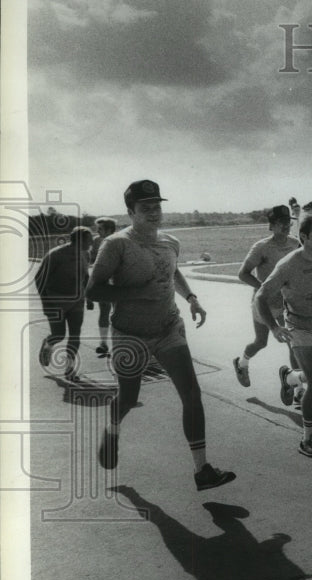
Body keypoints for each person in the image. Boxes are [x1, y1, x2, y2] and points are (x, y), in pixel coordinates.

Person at [87, 180, 234, 490]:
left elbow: (173, 271)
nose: (154, 212)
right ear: (131, 212)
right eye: (145, 208)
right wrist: (138, 292)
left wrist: (191, 297)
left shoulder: (170, 241)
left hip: (169, 328)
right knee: (128, 398)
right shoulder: (116, 244)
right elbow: (94, 290)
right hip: (130, 334)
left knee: (192, 395)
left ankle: (202, 469)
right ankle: (112, 431)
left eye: (157, 206)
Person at [254, 212, 312, 459]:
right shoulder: (289, 264)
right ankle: (308, 438)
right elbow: (261, 296)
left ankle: (291, 376)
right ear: (302, 237)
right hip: (299, 326)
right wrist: (274, 327)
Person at [233, 204, 299, 388]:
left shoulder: (295, 243)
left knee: (294, 344)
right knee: (261, 342)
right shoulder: (262, 247)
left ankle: (296, 387)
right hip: (265, 304)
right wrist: (265, 288)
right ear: (271, 225)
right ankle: (242, 363)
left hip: (287, 303)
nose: (286, 226)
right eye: (281, 222)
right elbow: (243, 273)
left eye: (288, 222)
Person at [36, 225, 93, 380]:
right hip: (56, 301)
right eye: (89, 240)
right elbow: (39, 279)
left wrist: (89, 297)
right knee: (58, 335)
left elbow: (86, 276)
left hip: (77, 302)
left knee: (75, 334)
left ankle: (69, 367)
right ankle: (48, 344)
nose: (92, 243)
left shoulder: (85, 254)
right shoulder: (55, 255)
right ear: (79, 240)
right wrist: (46, 303)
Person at [88, 217, 117, 357]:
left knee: (120, 312)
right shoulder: (96, 241)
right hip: (103, 280)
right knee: (104, 311)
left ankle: (119, 344)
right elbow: (92, 259)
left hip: (119, 280)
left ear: (110, 230)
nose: (97, 232)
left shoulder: (120, 240)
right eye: (97, 229)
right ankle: (103, 343)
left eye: (100, 229)